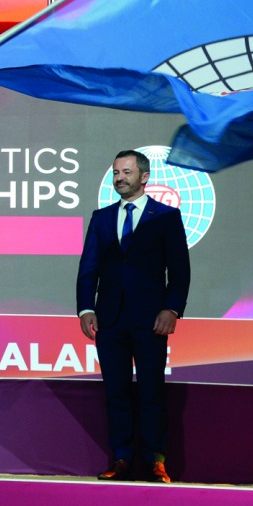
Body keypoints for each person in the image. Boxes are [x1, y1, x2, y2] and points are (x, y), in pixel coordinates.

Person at [76, 149, 190, 483]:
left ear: (144, 176)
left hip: (151, 319)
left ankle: (155, 460)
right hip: (110, 319)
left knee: (152, 390)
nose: (119, 178)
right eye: (115, 173)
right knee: (116, 390)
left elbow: (179, 270)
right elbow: (88, 268)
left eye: (126, 172)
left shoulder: (166, 217)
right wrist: (85, 308)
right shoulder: (101, 218)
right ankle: (122, 458)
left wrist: (172, 309)